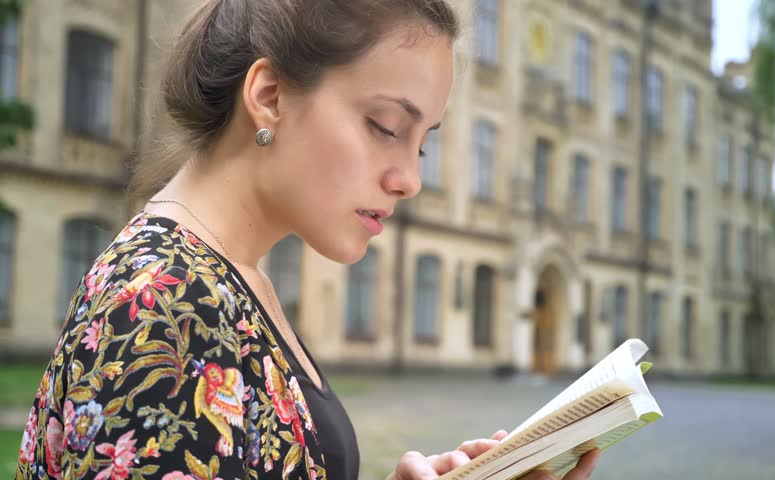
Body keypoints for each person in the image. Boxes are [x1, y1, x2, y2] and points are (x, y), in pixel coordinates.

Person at [16, 1, 601, 479]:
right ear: (269, 96)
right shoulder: (164, 303)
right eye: (386, 128)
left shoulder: (229, 277)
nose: (410, 179)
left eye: (420, 143)